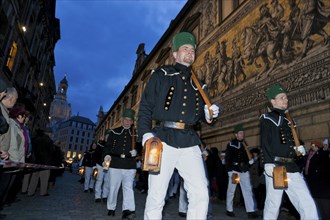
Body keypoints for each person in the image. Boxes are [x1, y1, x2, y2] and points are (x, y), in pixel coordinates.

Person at [137, 31, 220, 220]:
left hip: (190, 142)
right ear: (175, 54)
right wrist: (145, 134)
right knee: (157, 196)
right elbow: (145, 108)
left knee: (200, 193)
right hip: (163, 140)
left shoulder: (200, 84)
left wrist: (209, 115)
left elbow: (198, 115)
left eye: (192, 49)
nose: (190, 52)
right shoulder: (161, 75)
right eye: (185, 49)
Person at [260, 84, 319, 219]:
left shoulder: (289, 119)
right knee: (273, 205)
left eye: (286, 97)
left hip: (292, 166)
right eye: (281, 98)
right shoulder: (267, 118)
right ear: (273, 101)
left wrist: (299, 148)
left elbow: (292, 141)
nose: (285, 100)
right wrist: (267, 163)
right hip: (277, 167)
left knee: (306, 202)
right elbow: (266, 143)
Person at [103, 109, 137, 219]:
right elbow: (107, 146)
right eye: (125, 120)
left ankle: (128, 210)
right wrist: (107, 155)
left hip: (129, 164)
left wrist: (137, 151)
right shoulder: (114, 132)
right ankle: (111, 208)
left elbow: (141, 146)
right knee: (113, 187)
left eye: (130, 120)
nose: (127, 122)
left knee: (128, 188)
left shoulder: (135, 134)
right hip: (116, 164)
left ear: (132, 122)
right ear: (121, 120)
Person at [225, 124, 258, 218]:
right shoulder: (231, 144)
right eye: (240, 133)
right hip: (234, 170)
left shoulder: (245, 143)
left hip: (244, 170)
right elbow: (228, 159)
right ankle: (229, 209)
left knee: (247, 190)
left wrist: (250, 161)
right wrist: (229, 171)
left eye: (243, 132)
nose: (242, 134)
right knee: (232, 190)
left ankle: (251, 210)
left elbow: (247, 157)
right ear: (236, 134)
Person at [304, 139, 330, 220]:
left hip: (323, 186)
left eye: (314, 145)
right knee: (318, 207)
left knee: (325, 207)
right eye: (312, 145)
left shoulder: (323, 154)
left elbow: (324, 167)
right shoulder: (309, 155)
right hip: (313, 184)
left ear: (318, 146)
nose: (312, 146)